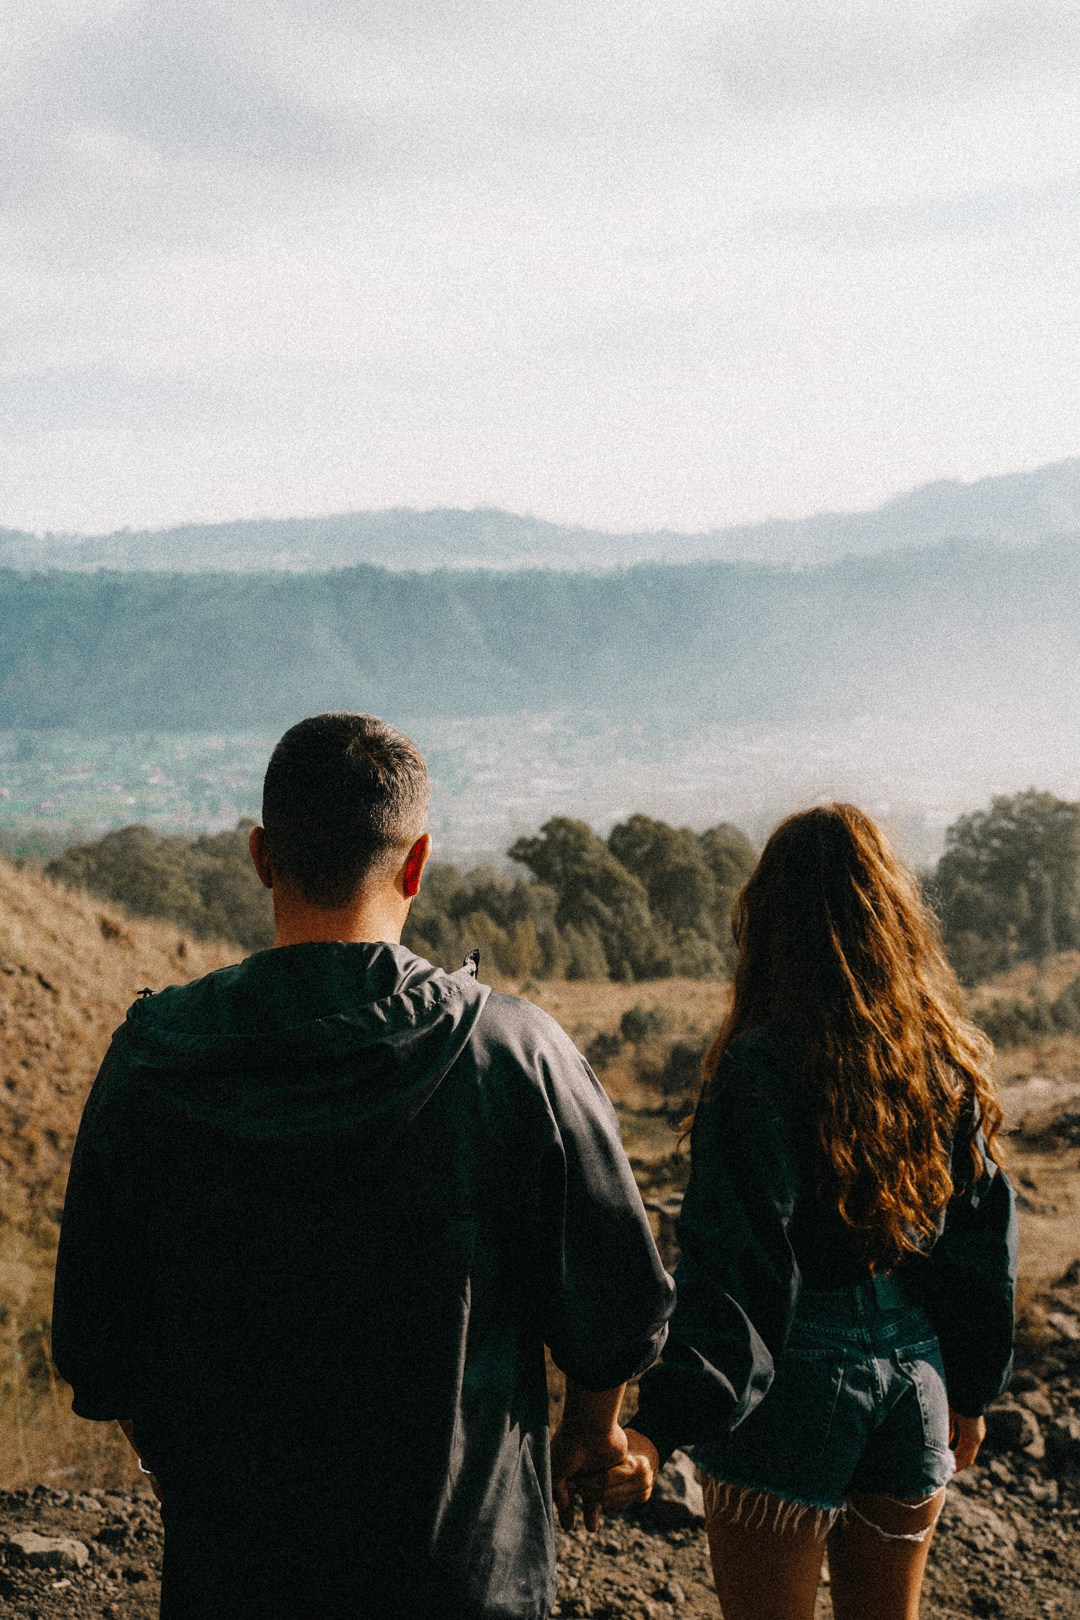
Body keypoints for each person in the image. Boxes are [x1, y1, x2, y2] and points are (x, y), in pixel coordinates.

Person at [52, 712, 674, 1620]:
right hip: (465, 1580)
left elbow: (99, 1347)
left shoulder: (150, 1061)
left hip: (238, 1582)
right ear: (416, 864)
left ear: (262, 856)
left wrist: (174, 1469)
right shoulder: (517, 1054)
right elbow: (615, 1307)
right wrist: (592, 1435)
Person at [602, 804, 1016, 1620]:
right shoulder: (942, 1059)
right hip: (917, 1380)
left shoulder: (759, 1068)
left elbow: (737, 1269)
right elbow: (982, 1242)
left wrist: (660, 1427)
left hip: (794, 1382)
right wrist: (969, 1391)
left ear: (770, 925)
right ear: (895, 918)